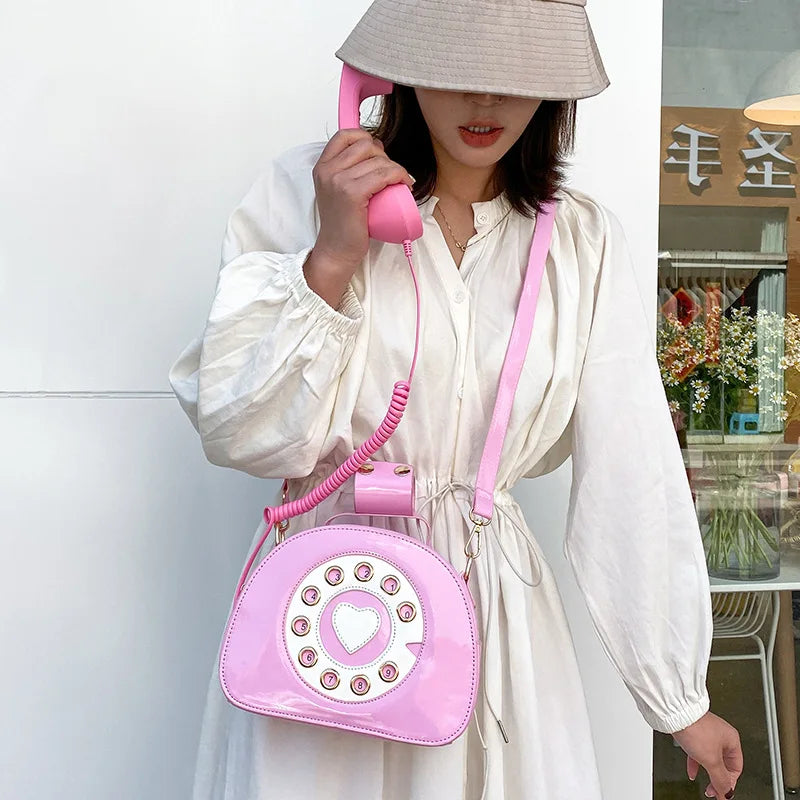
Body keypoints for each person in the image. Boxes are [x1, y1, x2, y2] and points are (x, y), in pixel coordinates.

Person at [169, 0, 744, 797]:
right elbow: (244, 431)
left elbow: (632, 466)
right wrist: (335, 252)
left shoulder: (582, 241)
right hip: (327, 610)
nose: (487, 102)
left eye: (517, 76)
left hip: (494, 621)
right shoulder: (303, 193)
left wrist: (677, 696)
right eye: (458, 67)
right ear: (398, 69)